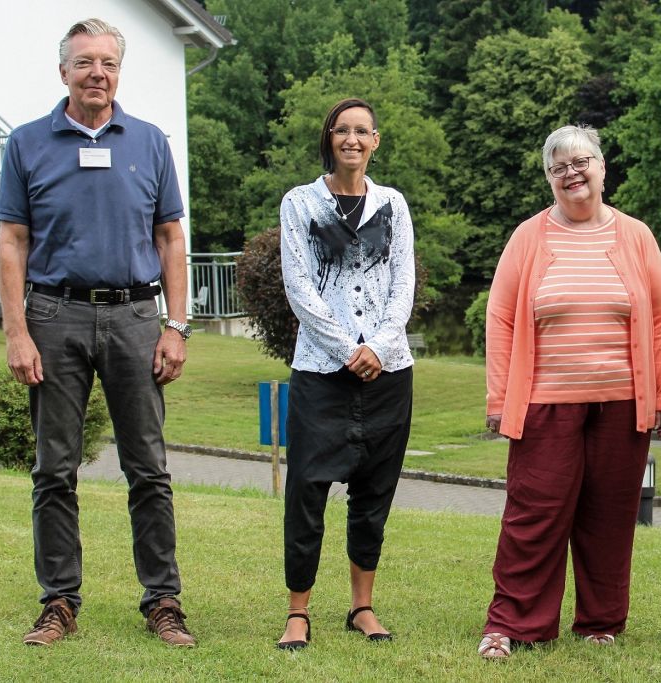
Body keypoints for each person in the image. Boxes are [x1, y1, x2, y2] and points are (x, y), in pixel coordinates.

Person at [0, 19, 195, 646]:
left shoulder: (150, 142)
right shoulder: (27, 144)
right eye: (84, 63)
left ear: (118, 72)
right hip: (55, 318)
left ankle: (162, 601)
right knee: (54, 469)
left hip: (138, 318)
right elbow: (12, 242)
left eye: (107, 63)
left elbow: (170, 237)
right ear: (64, 73)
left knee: (149, 469)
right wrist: (17, 333)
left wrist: (176, 325)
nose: (97, 74)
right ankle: (58, 602)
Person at [478, 124, 661, 660]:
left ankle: (600, 621)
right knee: (533, 513)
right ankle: (513, 623)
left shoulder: (636, 236)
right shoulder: (529, 236)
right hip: (545, 401)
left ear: (602, 167)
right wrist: (500, 399)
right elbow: (499, 319)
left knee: (609, 515)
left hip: (622, 402)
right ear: (549, 178)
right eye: (559, 166)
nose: (572, 173)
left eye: (581, 161)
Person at [276, 98, 415, 651]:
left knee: (374, 492)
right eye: (342, 131)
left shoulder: (394, 204)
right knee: (306, 490)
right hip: (321, 373)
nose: (352, 140)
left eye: (362, 131)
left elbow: (404, 281)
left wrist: (378, 347)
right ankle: (298, 612)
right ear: (329, 138)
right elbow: (299, 287)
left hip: (389, 374)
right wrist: (347, 349)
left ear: (375, 140)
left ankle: (362, 606)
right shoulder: (300, 203)